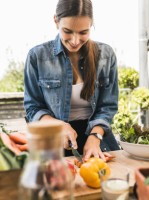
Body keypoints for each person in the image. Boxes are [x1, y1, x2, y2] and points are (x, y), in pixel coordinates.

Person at [24, 0, 120, 161]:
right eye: (67, 31)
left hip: (98, 141)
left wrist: (95, 135)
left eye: (83, 32)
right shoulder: (37, 56)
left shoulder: (106, 55)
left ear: (91, 25)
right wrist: (59, 125)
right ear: (56, 21)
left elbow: (108, 106)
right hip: (52, 144)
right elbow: (32, 108)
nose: (75, 40)